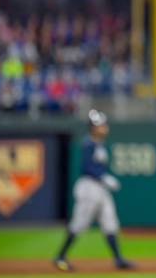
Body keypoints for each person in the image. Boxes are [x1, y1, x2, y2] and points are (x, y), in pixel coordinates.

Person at [54, 109, 134, 271]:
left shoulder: (100, 144)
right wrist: (104, 177)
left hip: (100, 188)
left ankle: (118, 259)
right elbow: (86, 166)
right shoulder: (88, 143)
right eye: (101, 125)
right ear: (94, 127)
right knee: (79, 223)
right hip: (89, 187)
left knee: (110, 222)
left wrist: (104, 178)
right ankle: (60, 256)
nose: (105, 127)